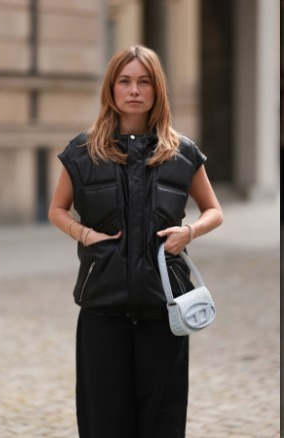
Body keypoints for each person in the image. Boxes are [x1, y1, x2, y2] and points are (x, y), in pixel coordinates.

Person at [48, 45, 223, 437]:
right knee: (104, 420)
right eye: (124, 81)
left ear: (157, 90)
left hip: (164, 309)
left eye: (144, 81)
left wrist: (190, 231)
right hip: (101, 307)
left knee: (161, 419)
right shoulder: (81, 151)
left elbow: (214, 210)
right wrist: (85, 234)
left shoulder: (181, 152)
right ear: (111, 89)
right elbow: (57, 210)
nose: (134, 90)